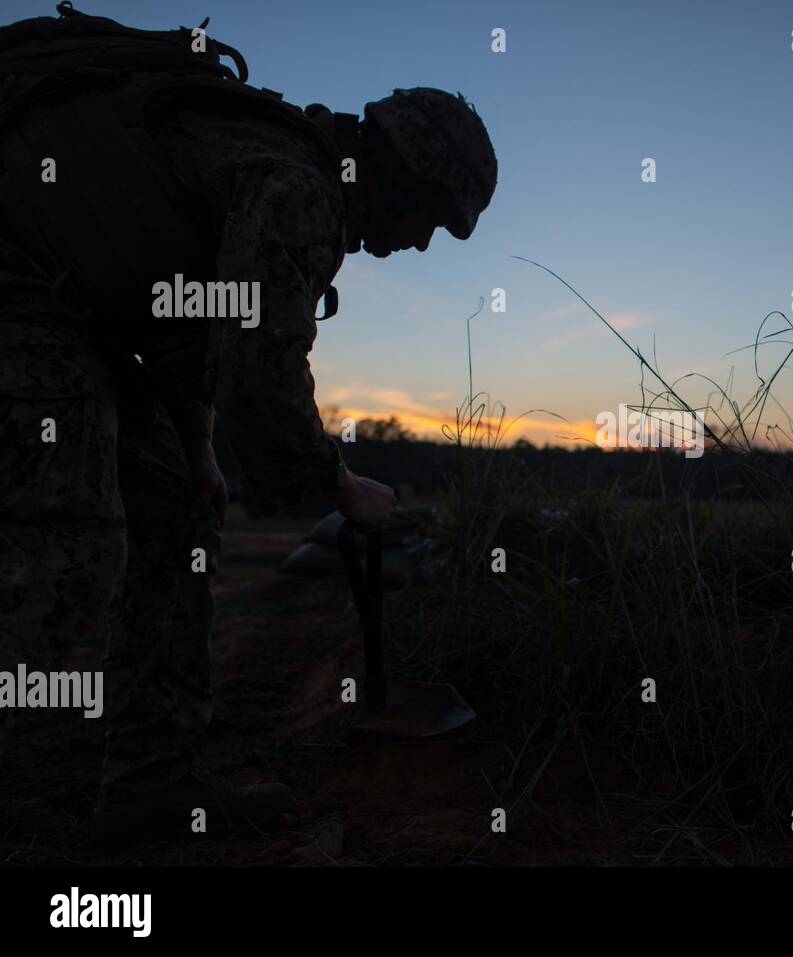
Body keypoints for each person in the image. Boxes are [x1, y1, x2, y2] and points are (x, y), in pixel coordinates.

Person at [0, 7, 497, 841]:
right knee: (69, 547)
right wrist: (337, 483)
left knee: (180, 508)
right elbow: (258, 370)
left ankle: (149, 788)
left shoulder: (285, 170)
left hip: (78, 303)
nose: (421, 245)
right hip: (20, 277)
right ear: (406, 171)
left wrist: (195, 445)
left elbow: (181, 319)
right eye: (435, 219)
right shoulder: (298, 190)